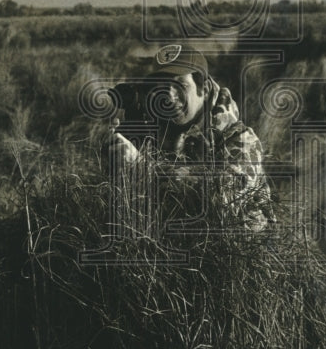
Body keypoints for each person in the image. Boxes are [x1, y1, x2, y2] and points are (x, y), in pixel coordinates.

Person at [106, 44, 275, 233]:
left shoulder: (240, 140)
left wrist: (140, 166)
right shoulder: (158, 130)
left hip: (236, 253)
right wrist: (118, 155)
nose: (169, 97)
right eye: (162, 87)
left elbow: (220, 205)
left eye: (181, 85)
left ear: (204, 88)